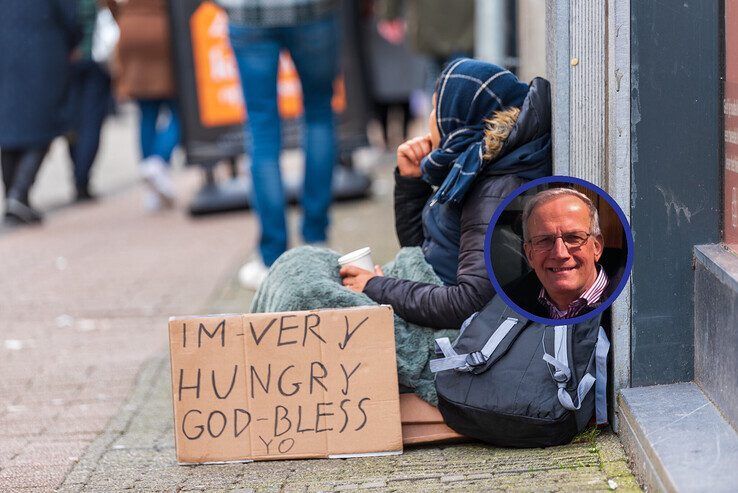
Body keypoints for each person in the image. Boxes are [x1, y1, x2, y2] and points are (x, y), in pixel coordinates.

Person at [251, 59, 551, 403]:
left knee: (300, 286)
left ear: (458, 117)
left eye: (436, 108)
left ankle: (263, 383)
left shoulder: (495, 189)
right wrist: (410, 182)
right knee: (303, 263)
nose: (429, 120)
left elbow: (468, 302)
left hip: (448, 334)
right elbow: (425, 246)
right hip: (423, 292)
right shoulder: (476, 164)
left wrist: (378, 287)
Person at [219, 0, 341, 289]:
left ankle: (271, 256)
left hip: (247, 13)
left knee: (261, 128)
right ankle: (317, 238)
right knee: (319, 115)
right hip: (312, 10)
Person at [0, 0, 80, 225]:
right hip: (43, 55)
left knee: (8, 129)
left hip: (6, 55)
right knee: (42, 126)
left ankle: (14, 197)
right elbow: (72, 18)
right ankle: (18, 194)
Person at [109, 0, 180, 211]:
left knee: (146, 112)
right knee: (181, 111)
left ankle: (152, 190)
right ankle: (159, 161)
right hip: (163, 27)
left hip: (130, 28)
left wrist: (122, 15)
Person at [504, 188, 614, 320]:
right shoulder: (505, 308)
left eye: (573, 237)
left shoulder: (631, 306)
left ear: (597, 247)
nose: (560, 253)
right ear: (530, 254)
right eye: (544, 240)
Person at [67, 0, 113, 202]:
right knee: (91, 123)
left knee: (76, 123)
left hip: (69, 61)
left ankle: (79, 178)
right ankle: (82, 178)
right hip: (94, 59)